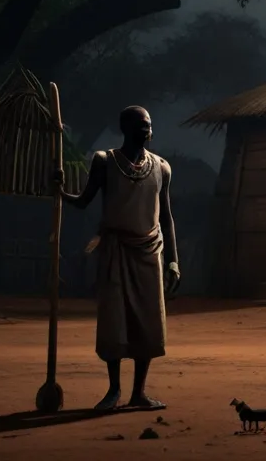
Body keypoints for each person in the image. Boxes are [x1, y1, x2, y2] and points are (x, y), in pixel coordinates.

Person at [55, 105, 180, 411]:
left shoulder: (162, 167)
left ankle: (138, 393)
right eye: (141, 126)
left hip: (151, 252)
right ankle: (114, 391)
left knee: (148, 322)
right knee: (114, 321)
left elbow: (167, 217)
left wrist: (174, 261)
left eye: (149, 125)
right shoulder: (104, 161)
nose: (147, 131)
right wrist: (59, 191)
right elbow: (84, 202)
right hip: (115, 250)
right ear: (125, 129)